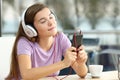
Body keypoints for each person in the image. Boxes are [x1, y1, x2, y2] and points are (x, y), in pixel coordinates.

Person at [5, 2, 88, 80]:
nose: (51, 23)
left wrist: (81, 63)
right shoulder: (24, 43)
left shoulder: (61, 38)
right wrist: (63, 63)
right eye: (43, 21)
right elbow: (26, 74)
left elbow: (82, 74)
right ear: (31, 29)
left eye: (51, 17)